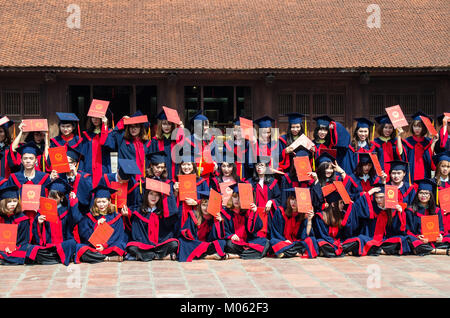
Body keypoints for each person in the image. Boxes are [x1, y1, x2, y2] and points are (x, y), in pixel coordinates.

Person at [27, 179, 77, 265]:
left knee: (71, 243)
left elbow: (75, 221)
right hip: (48, 246)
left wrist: (73, 201)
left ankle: (53, 258)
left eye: (55, 198)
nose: (51, 199)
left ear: (61, 198)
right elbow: (37, 234)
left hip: (63, 245)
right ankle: (59, 258)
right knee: (30, 249)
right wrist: (39, 223)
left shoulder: (66, 210)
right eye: (50, 196)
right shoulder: (42, 210)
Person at [74, 185, 127, 263]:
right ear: (95, 202)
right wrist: (95, 225)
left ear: (109, 201)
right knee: (80, 247)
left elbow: (118, 235)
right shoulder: (90, 216)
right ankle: (107, 258)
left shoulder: (116, 216)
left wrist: (104, 245)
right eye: (98, 202)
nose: (101, 205)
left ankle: (97, 258)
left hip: (110, 246)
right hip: (94, 247)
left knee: (120, 246)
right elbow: (84, 234)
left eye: (104, 201)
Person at [125, 188, 179, 261]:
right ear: (146, 195)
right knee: (132, 247)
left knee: (174, 244)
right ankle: (160, 256)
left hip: (160, 245)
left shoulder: (163, 212)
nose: (153, 197)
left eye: (157, 195)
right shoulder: (139, 211)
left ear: (160, 197)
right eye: (151, 194)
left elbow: (169, 229)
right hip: (144, 244)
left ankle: (148, 256)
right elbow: (136, 232)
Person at [221, 184, 270, 259]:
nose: (237, 200)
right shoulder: (226, 212)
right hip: (235, 243)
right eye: (235, 197)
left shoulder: (247, 212)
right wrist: (231, 235)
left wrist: (254, 213)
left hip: (247, 241)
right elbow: (223, 230)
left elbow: (255, 229)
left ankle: (237, 256)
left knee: (266, 242)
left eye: (240, 197)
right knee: (229, 244)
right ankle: (249, 254)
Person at [178, 190, 227, 262]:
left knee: (222, 242)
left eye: (209, 205)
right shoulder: (194, 216)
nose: (206, 208)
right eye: (204, 205)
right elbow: (188, 235)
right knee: (184, 243)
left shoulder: (215, 218)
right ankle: (207, 256)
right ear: (200, 205)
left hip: (207, 244)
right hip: (195, 243)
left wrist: (218, 222)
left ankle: (202, 255)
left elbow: (217, 236)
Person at [269, 188, 318, 258]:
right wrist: (284, 240)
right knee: (274, 242)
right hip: (283, 241)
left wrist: (309, 220)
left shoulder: (303, 215)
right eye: (292, 199)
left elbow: (305, 236)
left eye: (296, 200)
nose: (293, 202)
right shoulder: (280, 212)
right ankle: (295, 253)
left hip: (295, 242)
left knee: (311, 240)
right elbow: (275, 232)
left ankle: (287, 252)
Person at [405, 179, 446, 255]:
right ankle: (436, 251)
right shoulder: (410, 211)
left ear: (430, 195)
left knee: (447, 238)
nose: (423, 195)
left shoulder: (437, 211)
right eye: (421, 193)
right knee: (408, 240)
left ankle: (425, 249)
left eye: (426, 193)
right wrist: (418, 237)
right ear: (417, 194)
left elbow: (441, 228)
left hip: (433, 240)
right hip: (419, 239)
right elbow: (408, 230)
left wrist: (440, 235)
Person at [148, 110, 185, 180]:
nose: (166, 126)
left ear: (172, 125)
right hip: (160, 175)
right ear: (160, 125)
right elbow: (151, 161)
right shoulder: (155, 141)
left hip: (175, 173)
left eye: (169, 124)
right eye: (164, 124)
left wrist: (181, 132)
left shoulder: (177, 140)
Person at [400, 111, 437, 181]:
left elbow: (429, 157)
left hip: (425, 171)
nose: (417, 129)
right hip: (411, 171)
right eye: (415, 126)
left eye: (419, 126)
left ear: (423, 128)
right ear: (412, 127)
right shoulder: (407, 141)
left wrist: (434, 142)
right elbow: (403, 157)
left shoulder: (428, 141)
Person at [0, 185, 31, 265]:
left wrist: (14, 248)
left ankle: (6, 258)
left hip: (17, 248)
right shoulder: (1, 218)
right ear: (3, 203)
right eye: (9, 202)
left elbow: (24, 241)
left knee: (28, 251)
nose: (13, 204)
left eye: (15, 201)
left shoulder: (23, 219)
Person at [78, 114, 111, 187]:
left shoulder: (109, 133)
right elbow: (83, 155)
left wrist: (105, 126)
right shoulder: (87, 134)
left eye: (98, 117)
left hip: (103, 167)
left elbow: (107, 144)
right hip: (89, 167)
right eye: (93, 117)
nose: (95, 119)